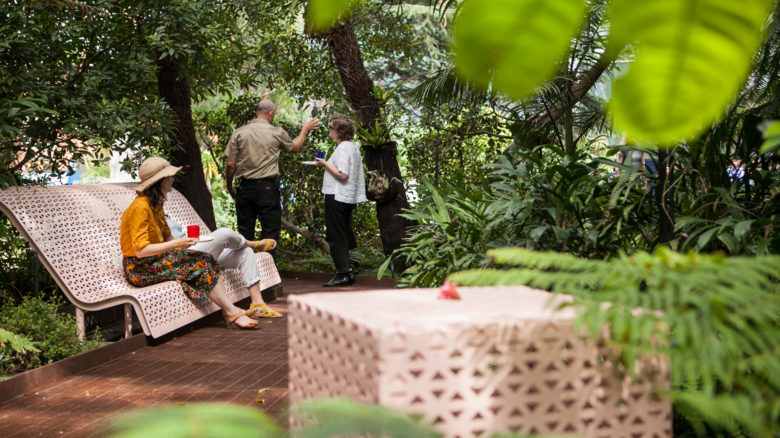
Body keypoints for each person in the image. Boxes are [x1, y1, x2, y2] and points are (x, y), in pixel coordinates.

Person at [120, 157, 257, 330]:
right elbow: (140, 251)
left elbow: (168, 238)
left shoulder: (155, 204)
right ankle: (231, 312)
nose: (172, 180)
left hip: (157, 260)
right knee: (200, 263)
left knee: (205, 259)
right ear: (160, 181)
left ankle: (231, 311)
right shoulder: (140, 208)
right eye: (170, 176)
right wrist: (176, 244)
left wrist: (186, 245)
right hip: (141, 268)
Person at [224, 99, 321, 257]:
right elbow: (295, 147)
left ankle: (245, 274)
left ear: (257, 112)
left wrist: (230, 187)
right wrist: (305, 129)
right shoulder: (276, 132)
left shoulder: (239, 132)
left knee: (244, 233)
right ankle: (269, 276)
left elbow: (230, 165)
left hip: (245, 188)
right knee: (270, 232)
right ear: (270, 114)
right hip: (267, 189)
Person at [166, 217, 283, 318]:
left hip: (193, 248)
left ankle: (258, 304)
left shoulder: (160, 209)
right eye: (166, 191)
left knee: (245, 252)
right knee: (224, 234)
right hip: (182, 257)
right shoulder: (150, 211)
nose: (170, 191)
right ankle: (253, 244)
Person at [315, 114, 366, 287]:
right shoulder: (352, 146)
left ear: (339, 132)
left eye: (331, 127)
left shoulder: (344, 148)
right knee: (341, 233)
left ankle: (343, 273)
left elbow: (342, 174)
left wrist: (324, 163)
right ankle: (346, 272)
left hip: (338, 195)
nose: (329, 130)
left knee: (336, 235)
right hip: (346, 196)